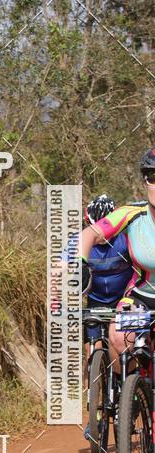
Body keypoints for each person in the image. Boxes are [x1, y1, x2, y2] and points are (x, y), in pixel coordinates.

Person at [81, 148, 155, 373]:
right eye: (153, 177)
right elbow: (89, 234)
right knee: (119, 335)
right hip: (141, 298)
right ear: (145, 181)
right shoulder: (132, 213)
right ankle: (127, 394)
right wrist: (80, 263)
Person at [76, 195, 133, 439]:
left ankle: (125, 398)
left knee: (122, 350)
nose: (101, 239)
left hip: (122, 301)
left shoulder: (126, 241)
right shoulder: (84, 244)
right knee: (93, 352)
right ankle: (95, 414)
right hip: (96, 302)